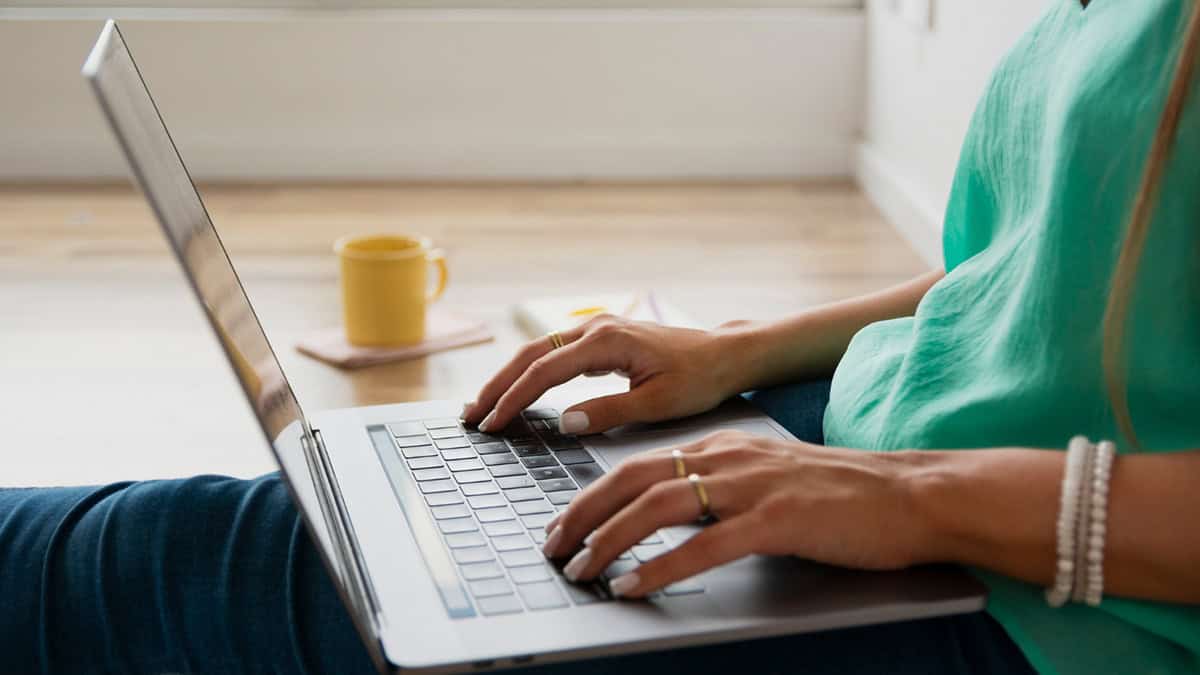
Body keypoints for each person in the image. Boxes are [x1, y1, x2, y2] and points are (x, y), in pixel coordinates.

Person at [4, 1, 1200, 673]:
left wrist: (909, 496)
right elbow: (1022, 276)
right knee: (282, 524)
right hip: (879, 455)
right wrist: (741, 352)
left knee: (183, 576)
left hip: (1045, 608)